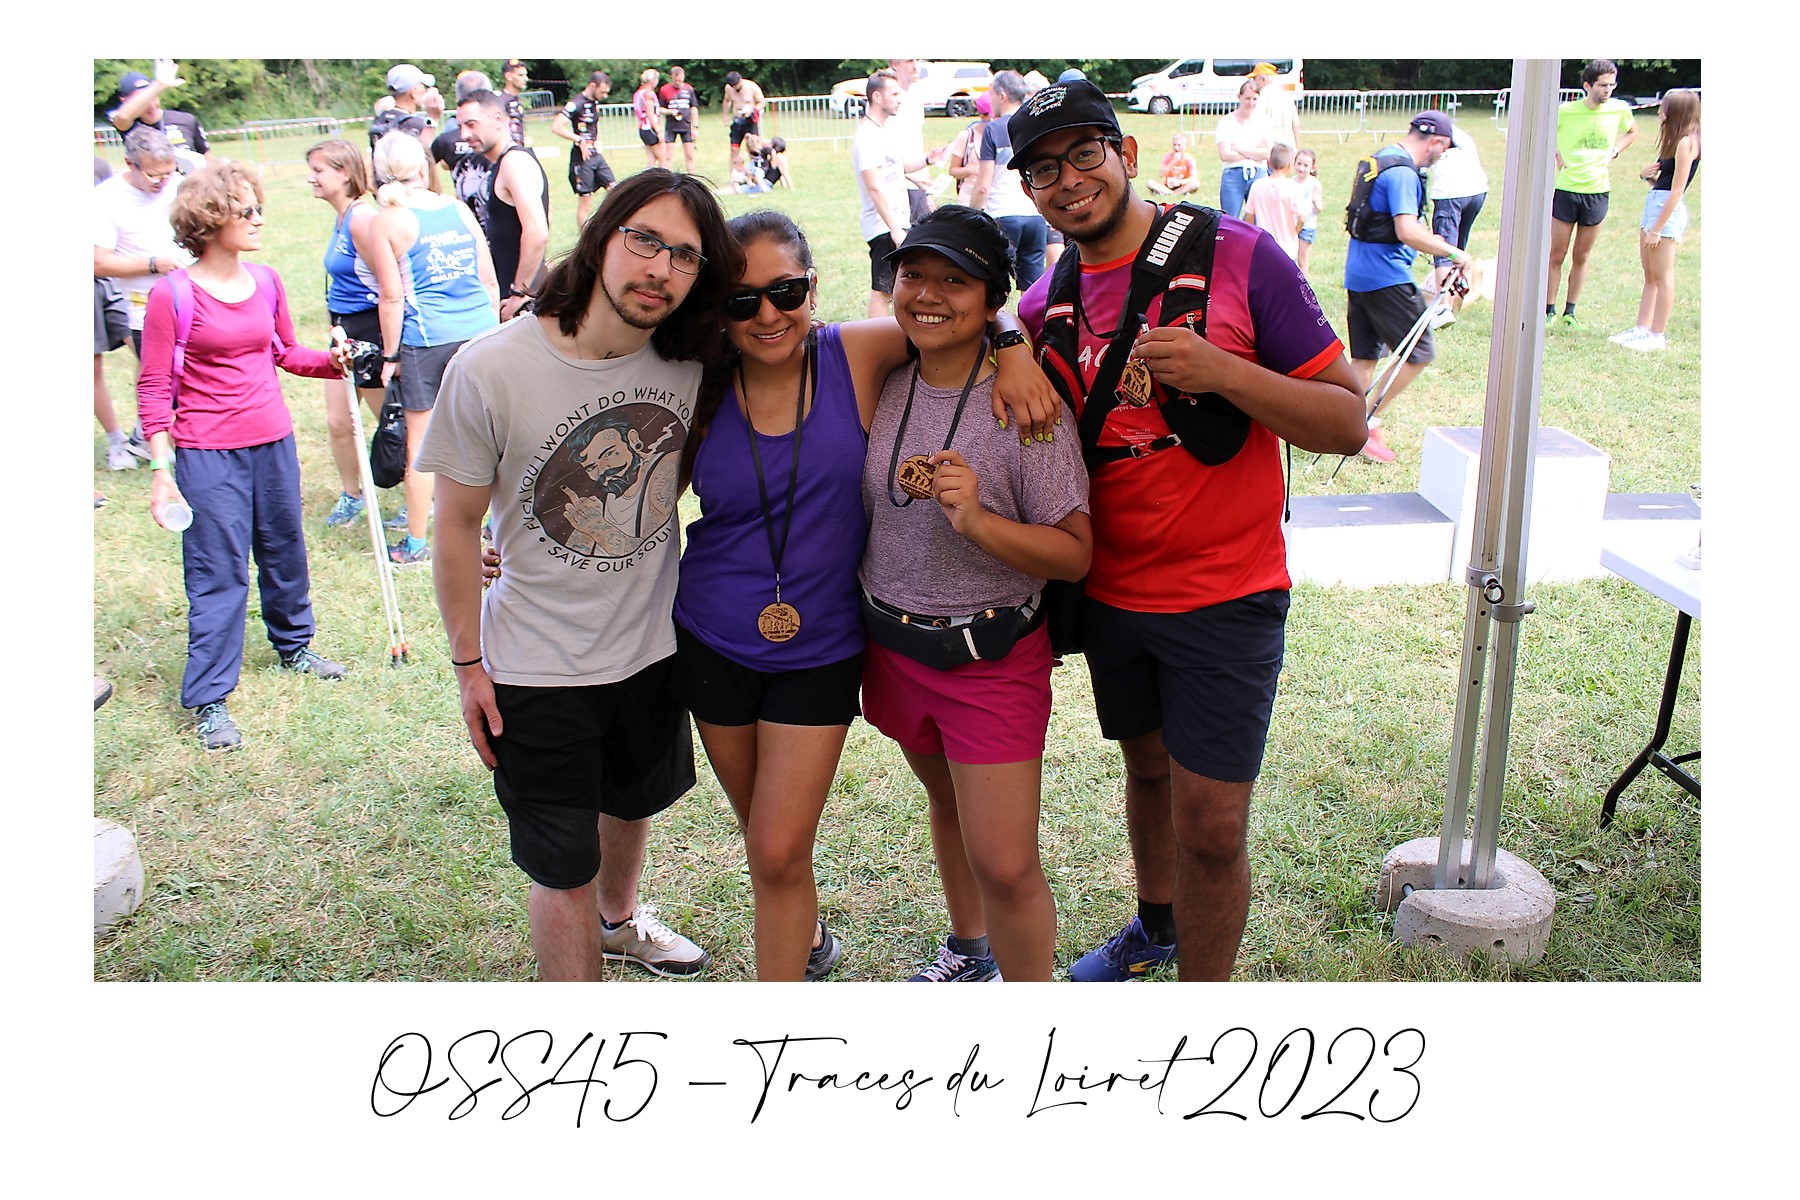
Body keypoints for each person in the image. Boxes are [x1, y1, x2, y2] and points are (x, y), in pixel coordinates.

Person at [1007, 80, 1367, 982]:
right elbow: (971, 326)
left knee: (1211, 824)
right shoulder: (1044, 303)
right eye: (1043, 169)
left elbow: (1347, 421)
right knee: (1147, 771)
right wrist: (1007, 345)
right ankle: (1155, 928)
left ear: (1126, 153)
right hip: (1111, 596)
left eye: (1085, 153)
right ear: (1028, 190)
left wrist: (1223, 371)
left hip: (1226, 594)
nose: (1068, 180)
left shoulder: (1241, 255)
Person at [415, 170, 739, 981]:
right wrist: (467, 665)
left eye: (686, 255)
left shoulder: (691, 360)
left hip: (650, 649)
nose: (661, 269)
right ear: (601, 237)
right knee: (562, 869)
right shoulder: (490, 368)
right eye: (645, 240)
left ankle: (619, 921)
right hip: (535, 667)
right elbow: (453, 524)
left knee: (631, 803)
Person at [862, 206, 1091, 984]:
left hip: (988, 658)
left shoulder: (1024, 406)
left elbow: (1075, 553)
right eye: (914, 275)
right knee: (947, 804)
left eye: (955, 281)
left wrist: (981, 523)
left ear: (992, 298)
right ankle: (969, 951)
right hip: (893, 647)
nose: (928, 295)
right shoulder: (883, 380)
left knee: (1006, 863)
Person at [137, 164, 354, 752]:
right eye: (246, 211)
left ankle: (295, 646)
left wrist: (333, 361)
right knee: (219, 570)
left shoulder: (266, 279)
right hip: (207, 452)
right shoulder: (172, 294)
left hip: (273, 440)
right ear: (210, 221)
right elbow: (153, 387)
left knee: (285, 547)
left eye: (259, 208)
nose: (259, 219)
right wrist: (160, 472)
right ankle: (210, 697)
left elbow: (285, 351)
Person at [366, 130, 499, 566]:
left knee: (421, 445)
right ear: (422, 167)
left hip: (427, 339)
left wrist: (390, 356)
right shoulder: (456, 208)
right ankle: (495, 525)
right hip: (479, 332)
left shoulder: (386, 220)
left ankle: (417, 542)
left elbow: (391, 298)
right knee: (488, 435)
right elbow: (488, 278)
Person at [1342, 110, 1471, 463]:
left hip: (1358, 273)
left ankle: (1343, 424)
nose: (1440, 157)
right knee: (1420, 353)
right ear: (1436, 142)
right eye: (1443, 150)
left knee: (1365, 356)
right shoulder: (1402, 173)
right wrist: (1454, 253)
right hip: (1387, 278)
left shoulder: (1382, 158)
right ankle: (1367, 424)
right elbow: (1407, 230)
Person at [95, 129, 187, 472]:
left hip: (190, 295)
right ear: (129, 163)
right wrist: (153, 264)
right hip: (141, 307)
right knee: (166, 376)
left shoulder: (179, 185)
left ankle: (147, 435)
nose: (162, 181)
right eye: (152, 175)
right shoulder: (105, 199)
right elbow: (97, 262)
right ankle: (158, 441)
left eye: (168, 172)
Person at [306, 138, 385, 529]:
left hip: (371, 331)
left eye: (318, 171)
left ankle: (425, 497)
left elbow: (390, 282)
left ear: (344, 173)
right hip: (344, 333)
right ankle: (352, 495)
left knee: (392, 423)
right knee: (339, 422)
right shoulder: (342, 217)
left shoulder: (362, 219)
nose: (310, 179)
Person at [1546, 58, 1638, 328]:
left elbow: (1632, 131)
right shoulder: (1566, 111)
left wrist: (1615, 151)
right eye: (1602, 85)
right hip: (1567, 188)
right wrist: (1557, 153)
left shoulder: (1619, 109)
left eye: (1612, 85)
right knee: (1557, 254)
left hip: (1597, 191)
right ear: (1587, 85)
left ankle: (1570, 313)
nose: (1608, 90)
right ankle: (1549, 310)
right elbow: (1543, 132)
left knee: (1582, 255)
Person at [1612, 88, 1700, 353]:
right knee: (1650, 274)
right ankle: (1641, 328)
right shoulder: (1676, 140)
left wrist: (1657, 229)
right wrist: (1646, 175)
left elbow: (1677, 190)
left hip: (1666, 211)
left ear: (1677, 111)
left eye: (1664, 107)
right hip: (1655, 203)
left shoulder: (1687, 143)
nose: (1659, 112)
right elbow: (1663, 183)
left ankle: (1657, 335)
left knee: (1663, 276)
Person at [458, 88, 550, 319]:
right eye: (461, 126)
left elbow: (537, 231)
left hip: (523, 303)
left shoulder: (514, 162)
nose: (464, 134)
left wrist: (519, 293)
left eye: (471, 124)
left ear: (497, 118)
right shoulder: (503, 163)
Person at [854, 72, 935, 319]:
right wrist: (895, 229)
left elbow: (895, 167)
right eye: (895, 93)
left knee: (896, 287)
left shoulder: (883, 131)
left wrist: (927, 161)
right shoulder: (867, 136)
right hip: (884, 225)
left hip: (894, 223)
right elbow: (874, 186)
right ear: (877, 97)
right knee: (883, 291)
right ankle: (875, 338)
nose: (900, 98)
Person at [970, 70, 1049, 292]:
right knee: (1032, 291)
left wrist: (971, 215)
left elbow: (983, 185)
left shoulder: (994, 129)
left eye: (991, 93)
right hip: (1035, 216)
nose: (990, 100)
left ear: (1002, 95)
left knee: (995, 285)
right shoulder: (1037, 126)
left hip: (1003, 215)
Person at [1425, 122, 1489, 328]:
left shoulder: (1428, 135)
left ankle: (1443, 309)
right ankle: (1456, 299)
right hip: (1477, 191)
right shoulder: (1460, 134)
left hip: (1450, 193)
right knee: (1458, 249)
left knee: (1443, 250)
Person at [108, 61, 212, 171]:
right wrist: (158, 85)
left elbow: (207, 155)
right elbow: (123, 116)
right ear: (125, 101)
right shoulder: (130, 127)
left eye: (153, 96)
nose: (151, 105)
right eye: (143, 100)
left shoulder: (185, 120)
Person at [430, 71, 497, 226]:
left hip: (467, 221)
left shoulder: (446, 139)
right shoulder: (499, 136)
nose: (466, 135)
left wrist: (435, 197)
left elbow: (423, 164)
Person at [553, 71, 616, 227]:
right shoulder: (576, 103)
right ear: (592, 85)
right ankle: (585, 238)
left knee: (615, 190)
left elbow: (594, 125)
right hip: (582, 158)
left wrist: (598, 141)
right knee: (585, 201)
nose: (605, 96)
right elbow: (556, 126)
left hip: (596, 155)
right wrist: (578, 139)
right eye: (602, 92)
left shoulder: (594, 103)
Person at [1214, 80, 1272, 218]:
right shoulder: (1226, 122)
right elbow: (1225, 154)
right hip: (1233, 174)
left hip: (1258, 174)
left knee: (1259, 218)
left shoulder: (1264, 121)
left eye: (1254, 99)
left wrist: (1239, 148)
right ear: (1239, 97)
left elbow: (1268, 153)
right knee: (1230, 219)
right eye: (1247, 98)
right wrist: (1255, 152)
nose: (1251, 103)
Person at [369, 64, 444, 170]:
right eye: (422, 86)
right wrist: (433, 119)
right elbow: (425, 162)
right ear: (413, 91)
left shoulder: (381, 119)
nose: (425, 90)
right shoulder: (415, 124)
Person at [1243, 142, 1305, 262]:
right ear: (1289, 165)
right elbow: (1302, 218)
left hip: (1264, 247)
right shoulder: (1293, 187)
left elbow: (1249, 217)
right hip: (1287, 248)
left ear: (1269, 162)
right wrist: (1295, 230)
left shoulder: (1257, 185)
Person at [945, 94, 992, 206]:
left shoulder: (1003, 134)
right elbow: (953, 171)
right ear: (981, 115)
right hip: (968, 201)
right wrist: (968, 170)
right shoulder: (966, 136)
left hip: (994, 202)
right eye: (992, 115)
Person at [722, 70, 766, 174]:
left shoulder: (752, 87)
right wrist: (725, 115)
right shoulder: (729, 89)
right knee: (734, 150)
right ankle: (734, 175)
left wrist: (752, 110)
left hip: (750, 121)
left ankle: (755, 173)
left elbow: (762, 102)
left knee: (753, 148)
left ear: (740, 80)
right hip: (737, 121)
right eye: (732, 86)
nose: (735, 88)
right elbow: (726, 100)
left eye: (736, 85)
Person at [1250, 63, 1300, 152]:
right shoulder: (1287, 96)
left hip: (1271, 149)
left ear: (1263, 79)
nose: (1254, 82)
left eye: (1255, 78)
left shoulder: (1261, 98)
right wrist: (1296, 148)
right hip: (1290, 148)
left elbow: (1255, 123)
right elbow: (1296, 125)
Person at [659, 65, 700, 174]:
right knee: (667, 155)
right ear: (671, 77)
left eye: (680, 80)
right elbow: (660, 108)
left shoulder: (689, 89)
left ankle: (692, 176)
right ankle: (665, 177)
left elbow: (694, 108)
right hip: (671, 126)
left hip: (686, 126)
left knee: (690, 155)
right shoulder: (664, 90)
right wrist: (670, 112)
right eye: (676, 80)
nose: (678, 82)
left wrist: (695, 127)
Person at [1292, 147, 1324, 276]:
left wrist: (1315, 202)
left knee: (1302, 260)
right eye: (1299, 164)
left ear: (1312, 168)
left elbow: (1319, 208)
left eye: (1306, 165)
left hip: (1307, 226)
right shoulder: (1290, 182)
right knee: (1290, 258)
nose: (1301, 168)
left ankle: (1304, 286)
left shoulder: (1314, 184)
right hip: (1291, 225)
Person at [1147, 132, 1201, 197]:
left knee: (1196, 183)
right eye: (1174, 145)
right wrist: (1173, 161)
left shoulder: (1189, 158)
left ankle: (1172, 193)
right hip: (1168, 186)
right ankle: (1172, 193)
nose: (1176, 147)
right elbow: (1161, 174)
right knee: (1150, 183)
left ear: (1184, 146)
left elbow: (1193, 177)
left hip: (1182, 185)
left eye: (1179, 145)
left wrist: (1180, 182)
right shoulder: (1168, 157)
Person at [633, 69, 667, 169]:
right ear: (653, 80)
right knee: (663, 160)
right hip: (650, 128)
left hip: (643, 128)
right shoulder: (648, 94)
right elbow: (650, 113)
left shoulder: (639, 93)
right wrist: (658, 131)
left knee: (651, 161)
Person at [498, 59, 530, 147]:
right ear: (508, 76)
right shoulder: (500, 100)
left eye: (525, 75)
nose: (526, 79)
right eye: (521, 75)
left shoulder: (516, 99)